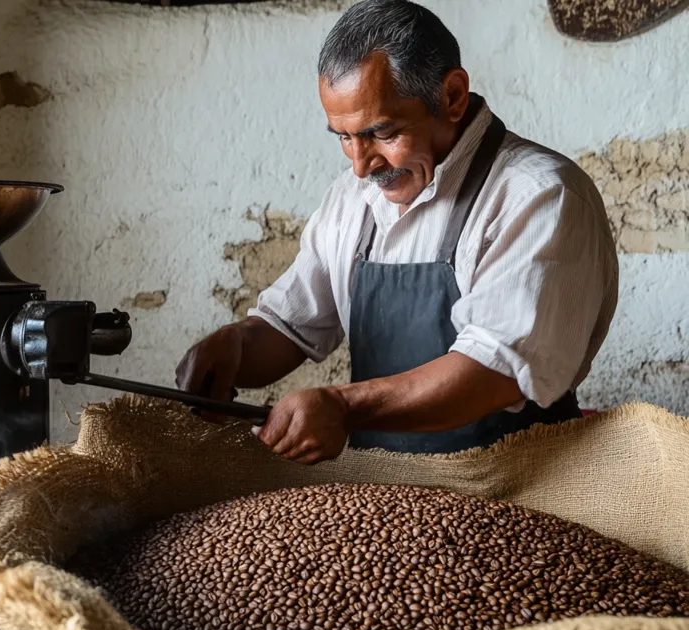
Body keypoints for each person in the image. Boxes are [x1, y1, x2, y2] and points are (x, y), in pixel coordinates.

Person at [176, 0, 618, 464]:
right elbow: (291, 325)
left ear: (452, 96)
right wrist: (236, 347)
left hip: (520, 485)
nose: (361, 165)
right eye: (344, 137)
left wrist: (343, 407)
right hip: (387, 493)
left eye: (382, 133)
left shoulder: (540, 195)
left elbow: (495, 372)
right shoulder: (351, 199)